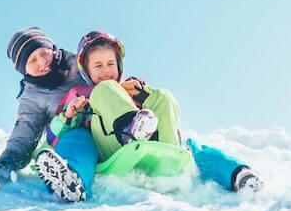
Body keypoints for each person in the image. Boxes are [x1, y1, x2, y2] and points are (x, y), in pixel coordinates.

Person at [34, 30, 263, 194]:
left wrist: (143, 95)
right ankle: (72, 179)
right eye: (98, 66)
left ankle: (238, 176)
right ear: (86, 71)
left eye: (111, 64)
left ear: (119, 67)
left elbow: (162, 106)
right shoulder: (79, 93)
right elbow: (53, 137)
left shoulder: (133, 86)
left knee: (171, 109)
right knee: (78, 137)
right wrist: (69, 116)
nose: (106, 71)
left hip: (158, 147)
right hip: (108, 148)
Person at [0, 27, 97, 202]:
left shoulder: (80, 63)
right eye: (32, 60)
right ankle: (71, 180)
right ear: (24, 69)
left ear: (52, 49)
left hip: (108, 121)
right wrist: (8, 161)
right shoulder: (32, 97)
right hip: (75, 132)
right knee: (77, 138)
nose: (42, 62)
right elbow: (26, 129)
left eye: (44, 53)